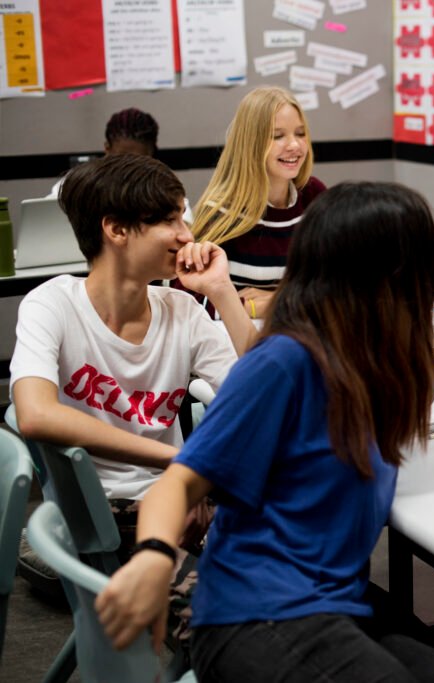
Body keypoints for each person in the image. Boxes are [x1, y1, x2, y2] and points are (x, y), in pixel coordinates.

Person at [95, 182, 434, 681]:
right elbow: (178, 483)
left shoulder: (384, 365)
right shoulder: (285, 361)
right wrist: (154, 557)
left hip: (335, 604)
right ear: (396, 276)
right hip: (253, 616)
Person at [11, 153, 254, 555]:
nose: (187, 235)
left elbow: (263, 394)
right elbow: (35, 415)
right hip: (95, 513)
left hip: (173, 498)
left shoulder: (182, 311)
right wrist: (180, 463)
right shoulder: (52, 304)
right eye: (168, 221)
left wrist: (222, 291)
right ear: (116, 230)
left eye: (183, 218)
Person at [188, 86, 326, 320]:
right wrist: (250, 308)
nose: (294, 145)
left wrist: (277, 301)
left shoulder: (314, 195)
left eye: (300, 133)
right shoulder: (221, 211)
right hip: (236, 346)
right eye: (278, 136)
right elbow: (189, 302)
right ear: (251, 143)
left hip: (302, 336)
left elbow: (340, 283)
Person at [45, 107, 193, 223]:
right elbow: (44, 221)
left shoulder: (164, 188)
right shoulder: (79, 183)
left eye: (136, 159)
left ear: (151, 154)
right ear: (107, 149)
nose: (127, 166)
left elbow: (185, 224)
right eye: (120, 157)